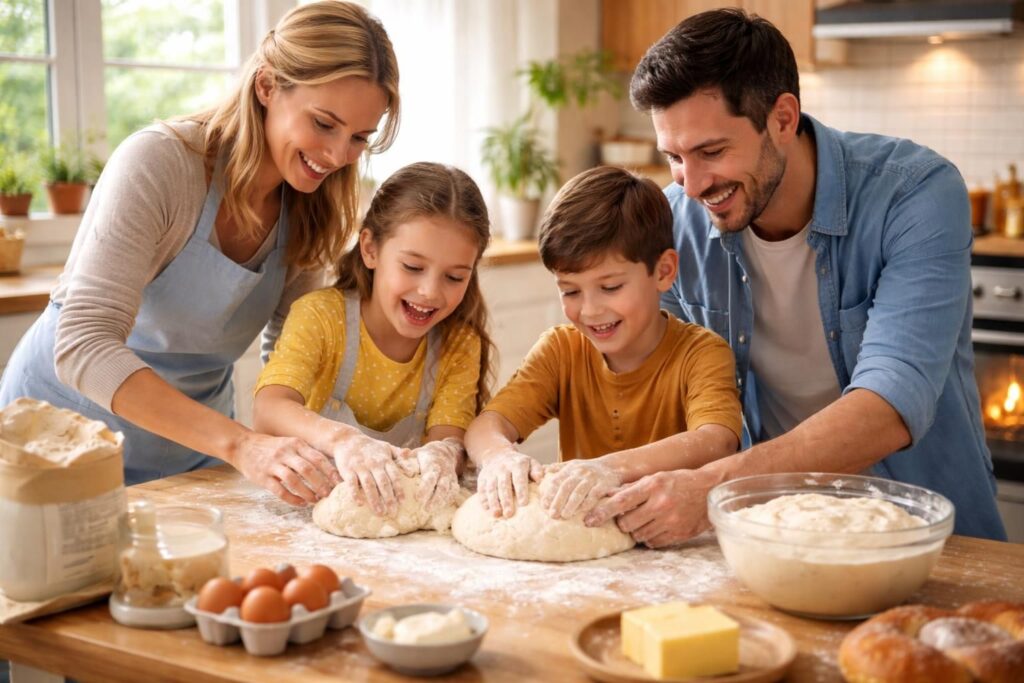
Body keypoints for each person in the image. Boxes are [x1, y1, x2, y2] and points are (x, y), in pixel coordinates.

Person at [585, 8, 1007, 544]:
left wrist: (710, 488)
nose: (691, 184)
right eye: (673, 157)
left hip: (927, 538)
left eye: (711, 151)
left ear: (782, 119)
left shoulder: (915, 193)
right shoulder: (673, 223)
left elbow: (892, 401)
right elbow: (672, 391)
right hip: (767, 534)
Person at [0, 1, 400, 506]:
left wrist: (328, 441)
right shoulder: (161, 164)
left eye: (359, 138)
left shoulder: (310, 208)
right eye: (324, 123)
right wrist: (243, 444)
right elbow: (84, 345)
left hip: (191, 453)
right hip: (60, 442)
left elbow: (290, 358)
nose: (338, 156)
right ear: (267, 86)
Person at [465, 166, 742, 545]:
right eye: (570, 291)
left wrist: (609, 468)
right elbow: (486, 427)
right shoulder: (562, 350)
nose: (591, 310)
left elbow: (716, 439)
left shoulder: (701, 354)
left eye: (610, 287)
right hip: (584, 550)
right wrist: (499, 457)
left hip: (676, 548)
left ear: (663, 272)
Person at [252, 162, 495, 519]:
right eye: (412, 267)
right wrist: (343, 441)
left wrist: (446, 454)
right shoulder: (322, 318)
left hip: (401, 526)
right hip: (304, 513)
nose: (429, 292)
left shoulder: (458, 344)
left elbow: (447, 440)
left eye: (455, 277)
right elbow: (268, 410)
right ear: (370, 249)